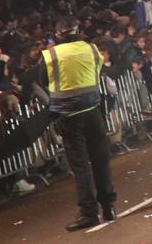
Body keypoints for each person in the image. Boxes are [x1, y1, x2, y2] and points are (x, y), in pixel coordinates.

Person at [43, 18, 115, 231]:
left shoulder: (52, 54)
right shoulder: (91, 49)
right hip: (93, 112)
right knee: (100, 160)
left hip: (69, 115)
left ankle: (89, 213)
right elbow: (97, 71)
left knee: (81, 165)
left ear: (58, 35)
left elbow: (41, 78)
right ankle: (109, 206)